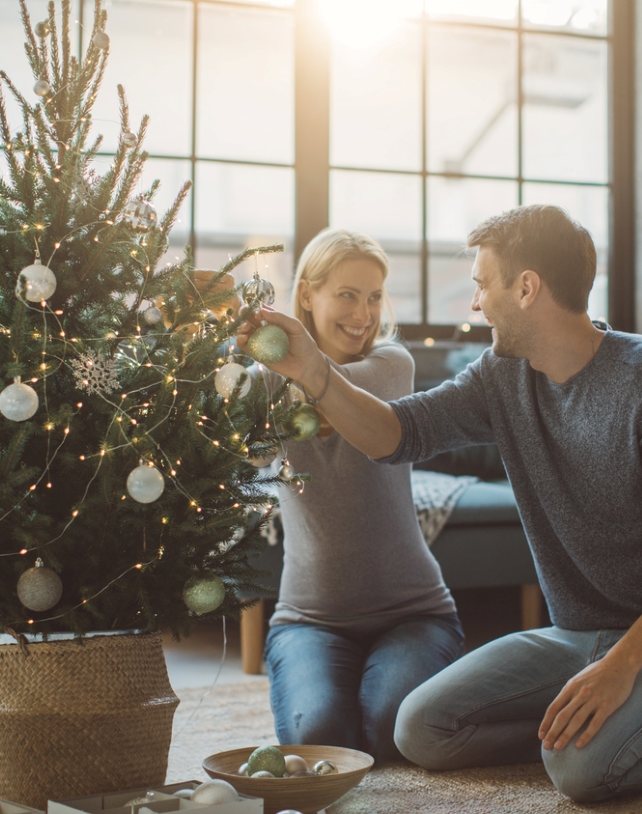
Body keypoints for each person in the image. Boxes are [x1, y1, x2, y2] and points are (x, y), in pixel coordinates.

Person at [239, 205, 642, 801]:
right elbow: (397, 435)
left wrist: (622, 668)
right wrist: (311, 370)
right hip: (578, 633)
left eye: (482, 285)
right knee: (418, 729)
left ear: (526, 288)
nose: (476, 304)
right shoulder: (502, 375)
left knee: (579, 774)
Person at [256, 227, 464, 762]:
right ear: (307, 294)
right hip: (308, 620)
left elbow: (331, 394)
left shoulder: (394, 367)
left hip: (415, 614)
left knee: (390, 730)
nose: (363, 313)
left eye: (373, 297)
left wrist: (279, 359)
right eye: (346, 294)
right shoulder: (263, 382)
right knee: (318, 740)